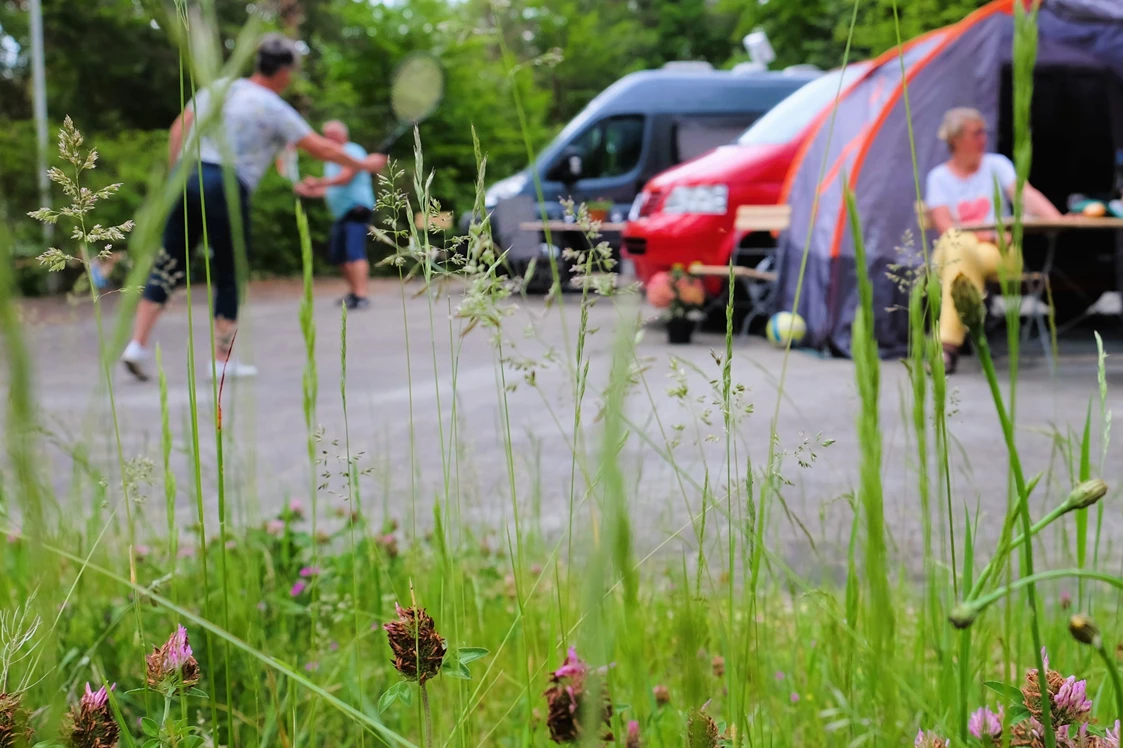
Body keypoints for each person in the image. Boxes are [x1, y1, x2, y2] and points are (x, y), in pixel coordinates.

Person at [120, 33, 387, 381]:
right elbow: (320, 149)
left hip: (187, 177)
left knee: (170, 262)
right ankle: (220, 361)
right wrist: (365, 164)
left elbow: (178, 130)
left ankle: (136, 345)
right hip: (227, 185)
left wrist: (175, 180)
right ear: (285, 71)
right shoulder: (274, 107)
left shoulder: (221, 88)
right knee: (229, 275)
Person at [925, 107, 1064, 374]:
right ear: (956, 139)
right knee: (957, 244)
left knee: (958, 250)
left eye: (983, 132)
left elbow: (1026, 196)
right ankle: (953, 342)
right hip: (968, 248)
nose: (983, 139)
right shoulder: (939, 178)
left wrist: (1058, 219)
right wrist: (987, 235)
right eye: (976, 133)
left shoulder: (997, 165)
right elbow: (944, 226)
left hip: (998, 256)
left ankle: (947, 347)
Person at [294, 120, 376, 310]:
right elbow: (332, 189)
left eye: (331, 134)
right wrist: (310, 191)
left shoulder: (352, 150)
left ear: (342, 134)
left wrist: (319, 182)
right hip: (341, 214)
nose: (327, 138)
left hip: (357, 209)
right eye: (325, 134)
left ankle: (362, 295)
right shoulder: (331, 161)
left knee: (354, 251)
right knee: (339, 255)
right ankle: (354, 292)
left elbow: (346, 177)